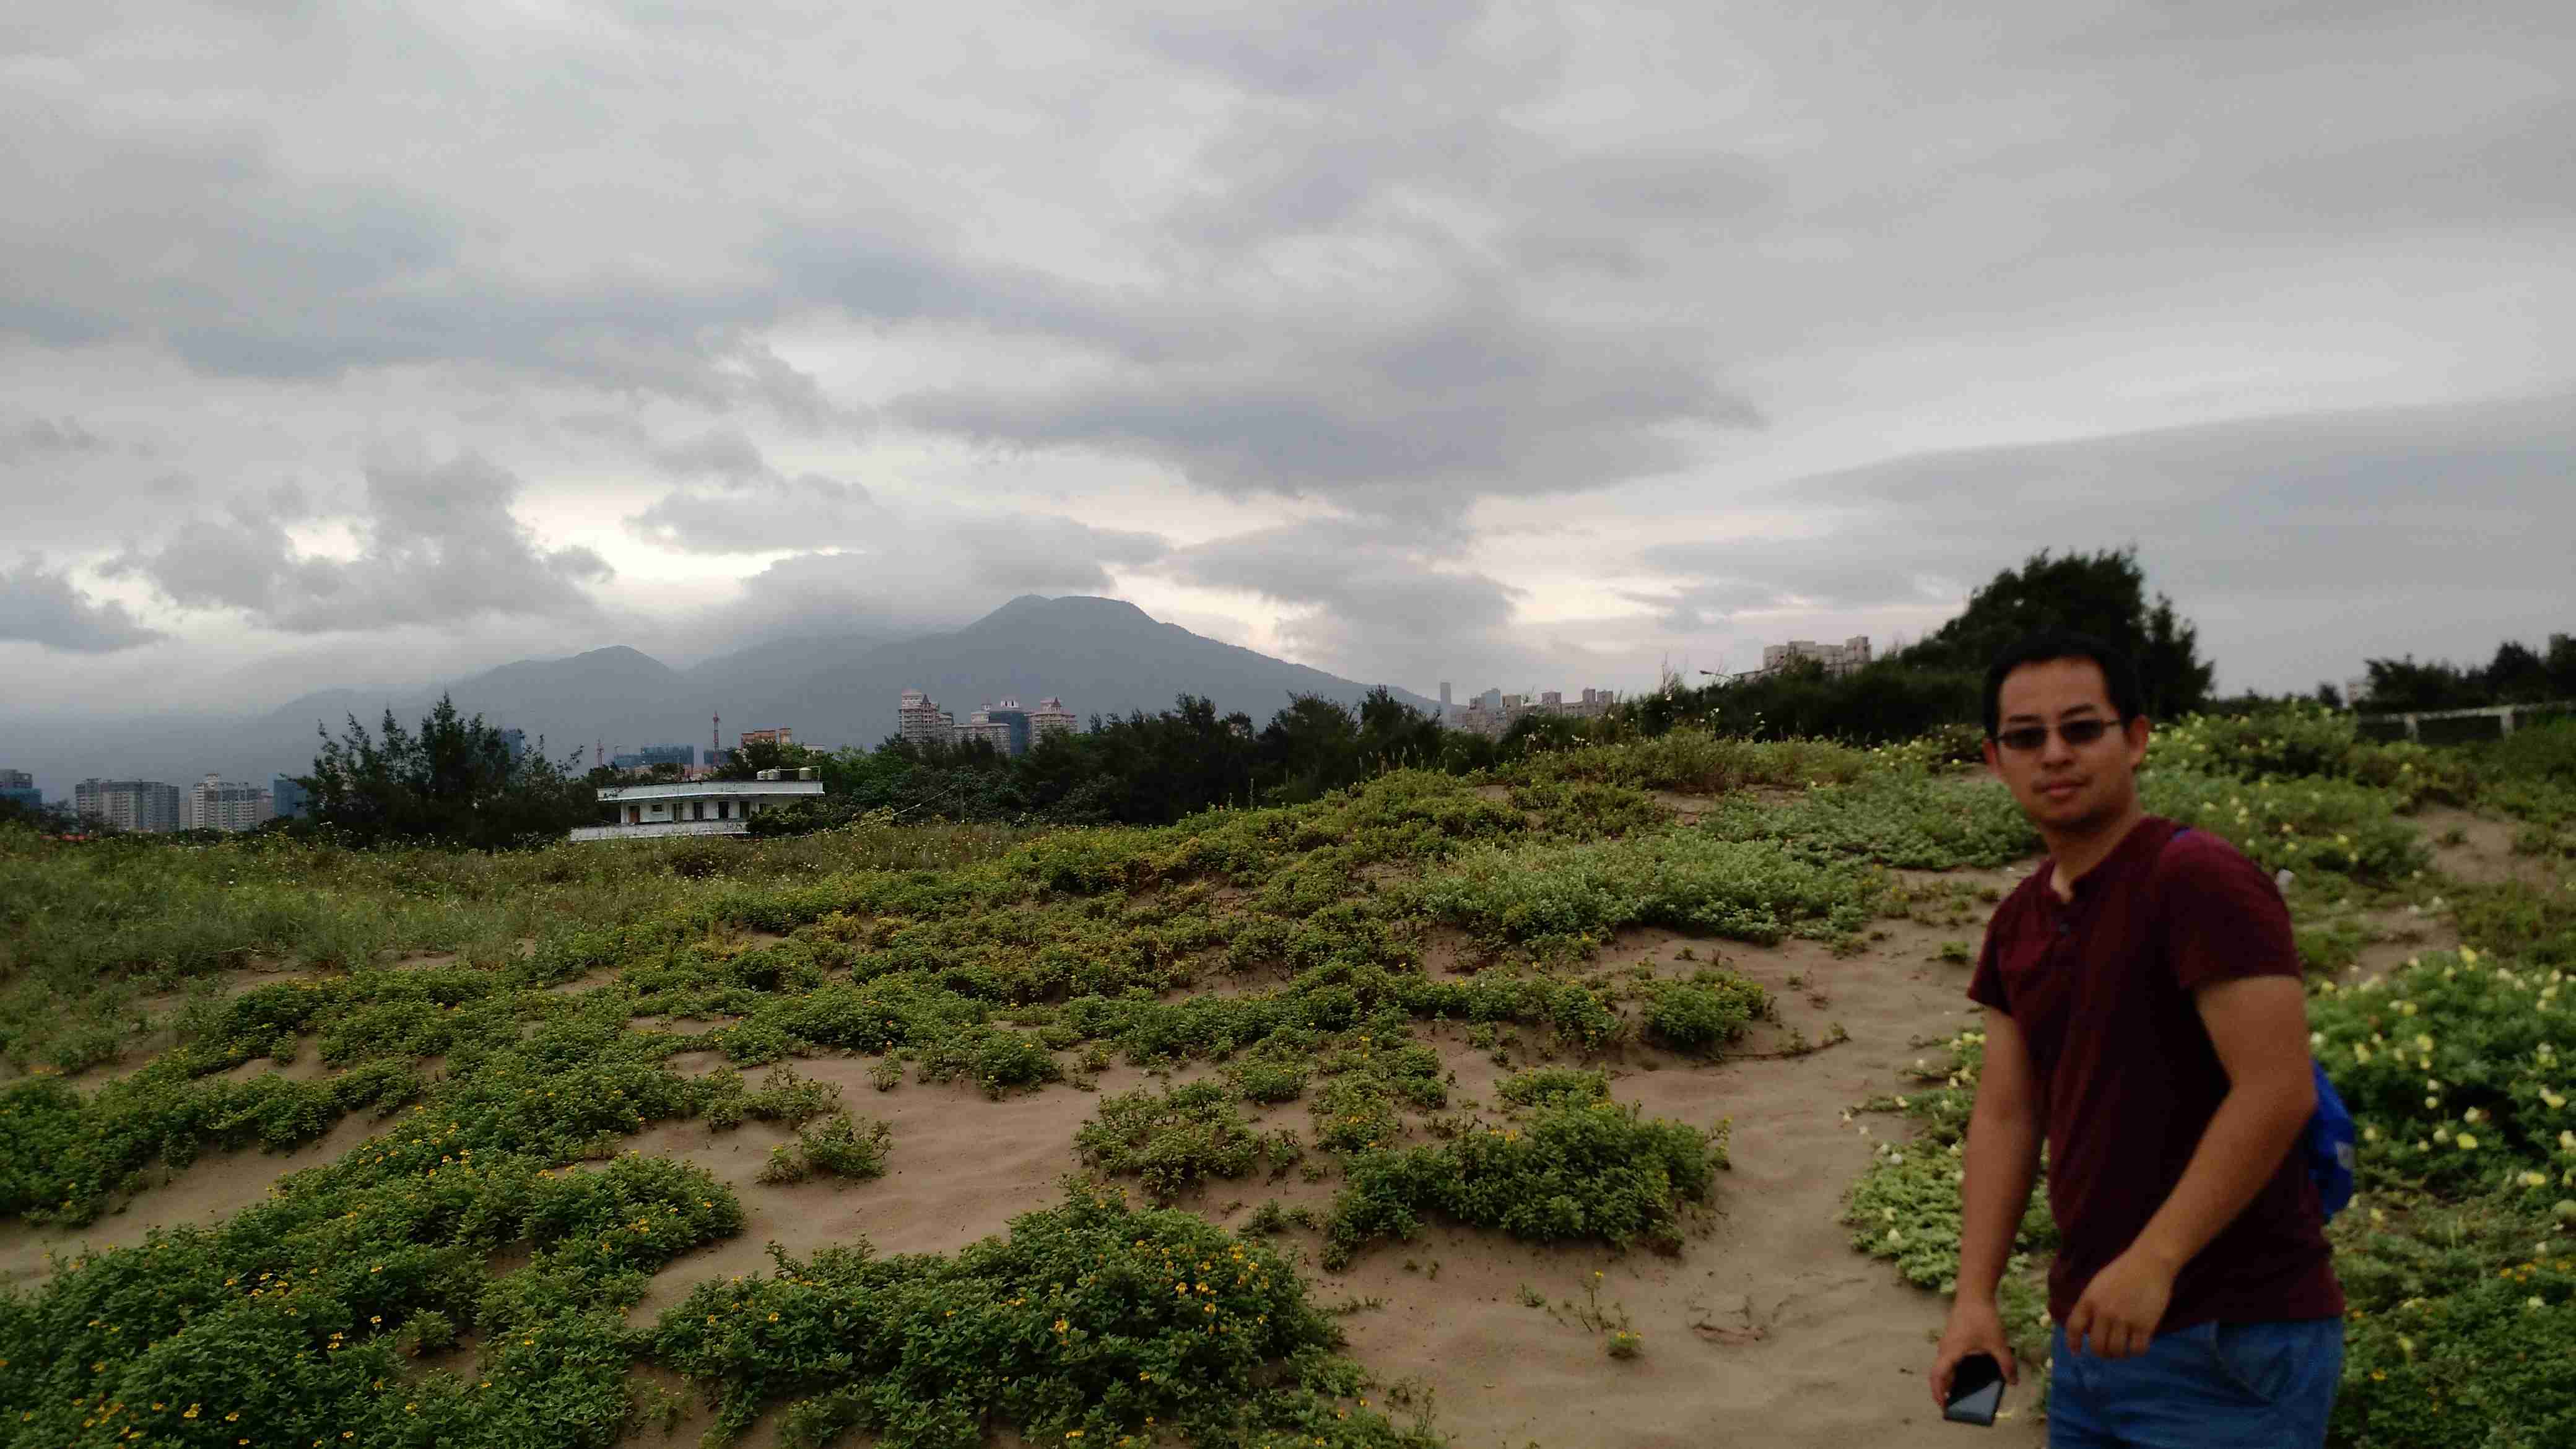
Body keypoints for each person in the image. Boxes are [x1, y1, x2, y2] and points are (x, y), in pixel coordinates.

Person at [1926, 630, 2343, 1447]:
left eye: (2082, 729)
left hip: (2232, 1339)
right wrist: (1974, 1300)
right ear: (1995, 758)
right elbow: (2008, 1116)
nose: (2054, 754)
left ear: (2138, 739)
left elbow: (2277, 1089)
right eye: (2025, 737)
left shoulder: (2197, 879)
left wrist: (2157, 1259)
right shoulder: (2019, 920)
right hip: (2091, 1338)